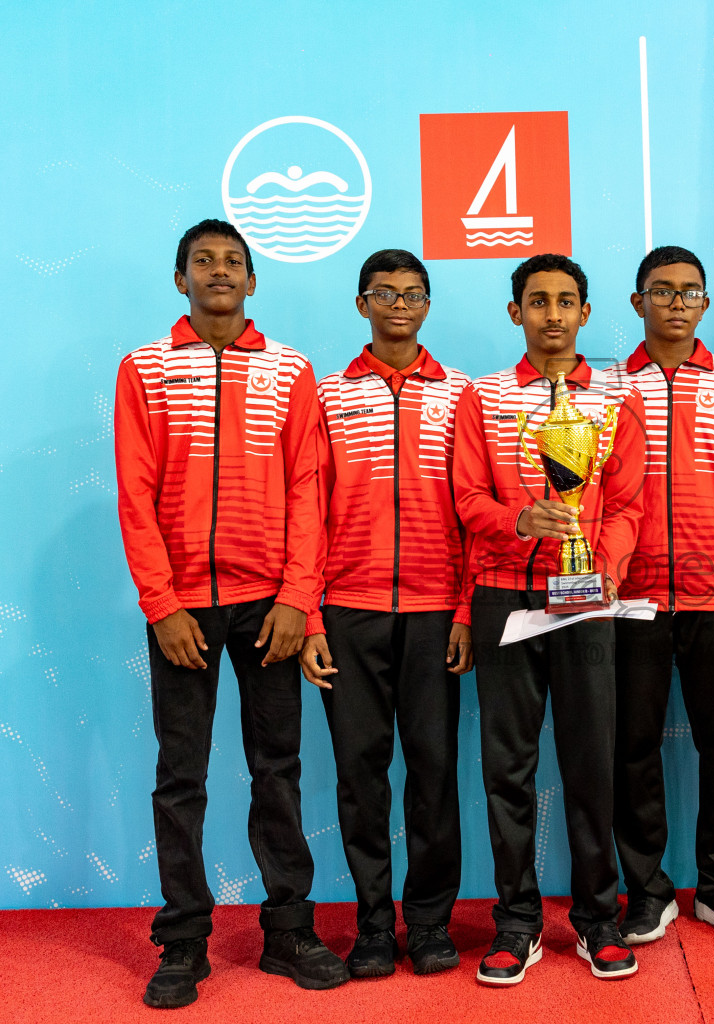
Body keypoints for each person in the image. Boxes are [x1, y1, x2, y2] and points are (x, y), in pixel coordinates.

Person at [114, 219, 346, 1008]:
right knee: (180, 778)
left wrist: (295, 598)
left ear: (253, 284)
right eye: (203, 261)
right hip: (181, 610)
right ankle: (182, 944)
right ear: (180, 280)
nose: (219, 271)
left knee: (277, 772)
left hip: (267, 608)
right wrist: (163, 603)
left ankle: (288, 932)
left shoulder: (290, 372)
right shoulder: (144, 369)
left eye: (233, 262)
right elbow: (135, 496)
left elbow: (308, 489)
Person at [452, 253, 647, 984]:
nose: (554, 315)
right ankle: (518, 922)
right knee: (509, 767)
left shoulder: (614, 400)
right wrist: (517, 522)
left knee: (591, 761)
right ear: (516, 314)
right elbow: (468, 499)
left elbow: (630, 506)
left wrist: (600, 565)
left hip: (585, 596)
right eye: (538, 302)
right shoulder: (486, 397)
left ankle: (599, 919)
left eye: (567, 302)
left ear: (587, 314)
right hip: (505, 593)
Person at [299, 249, 472, 978]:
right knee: (358, 775)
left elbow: (472, 507)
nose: (399, 304)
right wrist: (309, 617)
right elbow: (304, 506)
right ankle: (373, 926)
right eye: (384, 293)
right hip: (349, 612)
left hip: (436, 612)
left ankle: (429, 923)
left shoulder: (461, 394)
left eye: (413, 293)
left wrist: (465, 610)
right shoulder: (330, 395)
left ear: (428, 304)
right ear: (361, 302)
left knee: (433, 772)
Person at [603, 245, 714, 946]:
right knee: (631, 747)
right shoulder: (604, 387)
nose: (675, 302)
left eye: (689, 292)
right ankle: (646, 890)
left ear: (705, 305)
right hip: (631, 596)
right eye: (661, 291)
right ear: (637, 303)